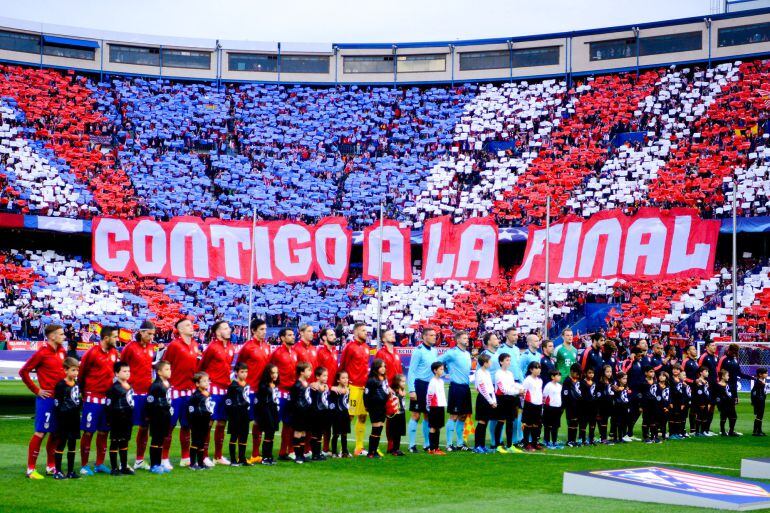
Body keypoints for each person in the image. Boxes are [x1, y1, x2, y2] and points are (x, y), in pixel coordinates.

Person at [19, 323, 67, 479]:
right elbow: (23, 371)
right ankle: (30, 469)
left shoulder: (62, 352)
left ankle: (50, 466)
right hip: (46, 400)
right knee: (41, 432)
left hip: (60, 399)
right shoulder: (42, 353)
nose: (63, 336)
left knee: (55, 433)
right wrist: (37, 390)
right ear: (52, 336)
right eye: (60, 334)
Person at [78, 325, 120, 475]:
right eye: (115, 337)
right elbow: (81, 375)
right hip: (92, 398)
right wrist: (84, 394)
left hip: (107, 400)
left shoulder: (115, 353)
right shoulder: (91, 353)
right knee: (89, 432)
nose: (117, 339)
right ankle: (84, 465)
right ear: (106, 338)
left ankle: (99, 463)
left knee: (104, 432)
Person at [198, 320, 236, 465]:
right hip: (212, 388)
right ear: (218, 332)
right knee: (209, 422)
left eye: (229, 328)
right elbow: (202, 366)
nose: (229, 330)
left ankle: (218, 456)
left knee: (222, 422)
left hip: (225, 389)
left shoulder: (231, 347)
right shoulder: (212, 348)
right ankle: (204, 455)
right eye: (226, 328)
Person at [163, 318, 199, 469]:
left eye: (191, 325)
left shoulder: (195, 345)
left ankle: (185, 457)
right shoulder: (174, 346)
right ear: (180, 329)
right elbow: (165, 365)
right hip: (175, 391)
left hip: (190, 392)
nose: (191, 327)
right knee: (169, 426)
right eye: (187, 325)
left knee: (187, 426)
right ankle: (164, 457)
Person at [120, 320, 156, 470]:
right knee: (126, 427)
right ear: (141, 332)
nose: (151, 337)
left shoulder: (151, 348)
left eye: (153, 334)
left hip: (145, 394)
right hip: (131, 394)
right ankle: (122, 461)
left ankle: (139, 460)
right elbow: (120, 368)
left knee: (144, 427)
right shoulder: (130, 348)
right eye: (149, 334)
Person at [235, 319, 270, 464]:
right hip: (248, 389)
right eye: (261, 329)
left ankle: (256, 453)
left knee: (259, 422)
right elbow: (238, 367)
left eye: (265, 329)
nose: (264, 332)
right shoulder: (247, 347)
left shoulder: (267, 346)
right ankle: (239, 454)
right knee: (243, 422)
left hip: (262, 390)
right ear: (253, 331)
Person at [340, 322, 372, 455]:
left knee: (363, 416)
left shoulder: (366, 347)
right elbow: (342, 366)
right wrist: (343, 385)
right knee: (349, 417)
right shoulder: (349, 347)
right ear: (356, 332)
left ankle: (359, 447)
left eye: (366, 330)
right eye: (363, 330)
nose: (366, 333)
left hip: (363, 388)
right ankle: (343, 447)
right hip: (352, 386)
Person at [406, 327, 438, 453]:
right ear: (424, 337)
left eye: (435, 335)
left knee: (428, 415)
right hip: (419, 385)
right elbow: (412, 371)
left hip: (430, 387)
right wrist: (412, 389)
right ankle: (412, 445)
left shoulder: (434, 351)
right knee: (415, 414)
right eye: (431, 335)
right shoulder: (418, 351)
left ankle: (427, 444)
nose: (434, 337)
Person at [439, 330, 472, 451]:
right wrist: (443, 373)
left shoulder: (467, 354)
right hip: (456, 387)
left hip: (465, 387)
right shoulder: (451, 353)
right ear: (458, 340)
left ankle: (460, 443)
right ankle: (448, 444)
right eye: (464, 338)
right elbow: (438, 361)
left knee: (463, 416)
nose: (467, 340)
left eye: (467, 338)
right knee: (453, 415)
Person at [269, 328, 298, 460]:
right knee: (273, 421)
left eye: (293, 335)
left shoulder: (294, 353)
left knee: (289, 423)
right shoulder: (277, 353)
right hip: (279, 391)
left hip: (291, 392)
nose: (293, 337)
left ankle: (285, 451)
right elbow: (269, 370)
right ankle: (264, 452)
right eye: (289, 335)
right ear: (282, 338)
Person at [53, 357, 81, 479]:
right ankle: (57, 471)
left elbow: (77, 400)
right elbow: (57, 403)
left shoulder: (77, 384)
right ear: (65, 370)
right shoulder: (60, 385)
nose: (76, 373)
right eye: (73, 370)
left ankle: (70, 471)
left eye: (77, 370)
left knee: (72, 445)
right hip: (64, 419)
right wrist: (61, 416)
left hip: (75, 419)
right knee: (61, 444)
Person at [106, 361, 135, 476]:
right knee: (115, 442)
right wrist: (109, 420)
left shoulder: (129, 386)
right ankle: (114, 468)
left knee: (124, 442)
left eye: (128, 371)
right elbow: (108, 405)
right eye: (124, 371)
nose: (127, 373)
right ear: (116, 374)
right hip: (117, 419)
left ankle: (124, 466)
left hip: (127, 419)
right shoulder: (114, 388)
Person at [145, 360, 172, 475]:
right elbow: (150, 402)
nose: (169, 371)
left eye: (170, 369)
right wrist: (150, 416)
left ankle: (159, 463)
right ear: (159, 372)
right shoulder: (155, 386)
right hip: (157, 416)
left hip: (165, 415)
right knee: (156, 439)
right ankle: (154, 464)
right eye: (166, 369)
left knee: (161, 439)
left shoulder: (167, 384)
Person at [317, 327, 340, 454]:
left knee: (329, 421)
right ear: (324, 338)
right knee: (321, 421)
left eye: (334, 334)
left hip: (333, 390)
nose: (334, 336)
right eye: (331, 334)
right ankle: (315, 447)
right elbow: (317, 371)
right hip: (322, 391)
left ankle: (326, 448)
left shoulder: (335, 351)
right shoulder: (320, 352)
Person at [493, 352, 521, 453]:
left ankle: (510, 445)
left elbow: (512, 385)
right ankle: (497, 445)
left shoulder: (510, 373)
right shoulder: (498, 374)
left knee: (510, 422)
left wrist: (521, 388)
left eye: (510, 360)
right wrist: (518, 391)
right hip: (501, 399)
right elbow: (503, 390)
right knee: (500, 421)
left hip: (510, 399)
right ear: (501, 362)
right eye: (507, 360)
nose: (509, 362)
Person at [226, 362, 251, 466]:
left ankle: (242, 458)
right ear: (236, 373)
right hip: (235, 414)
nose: (244, 374)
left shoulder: (247, 385)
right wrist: (232, 412)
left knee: (244, 435)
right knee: (234, 436)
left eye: (246, 372)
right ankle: (233, 459)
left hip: (245, 414)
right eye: (242, 372)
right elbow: (228, 402)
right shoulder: (233, 386)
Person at [363, 358, 389, 459]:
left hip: (383, 406)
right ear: (376, 368)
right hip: (374, 407)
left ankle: (375, 451)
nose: (383, 369)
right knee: (375, 429)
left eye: (384, 366)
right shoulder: (371, 380)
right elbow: (366, 395)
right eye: (381, 366)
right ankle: (371, 452)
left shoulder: (384, 378)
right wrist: (367, 406)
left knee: (380, 428)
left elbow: (386, 390)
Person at [188, 372, 214, 470]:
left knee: (202, 441)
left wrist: (210, 417)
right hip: (196, 422)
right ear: (197, 384)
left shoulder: (207, 394)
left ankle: (200, 463)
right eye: (204, 381)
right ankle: (192, 463)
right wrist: (193, 420)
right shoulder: (195, 396)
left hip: (205, 421)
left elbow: (208, 407)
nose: (206, 383)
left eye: (207, 381)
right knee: (195, 441)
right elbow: (191, 409)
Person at [255, 364, 280, 465]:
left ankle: (269, 455)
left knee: (272, 432)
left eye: (276, 373)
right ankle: (265, 456)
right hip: (266, 410)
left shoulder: (275, 384)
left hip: (273, 409)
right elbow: (262, 402)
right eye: (272, 373)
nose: (275, 375)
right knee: (269, 431)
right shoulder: (263, 385)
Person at [480, 332, 501, 447]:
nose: (497, 340)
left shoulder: (498, 354)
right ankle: (491, 442)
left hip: (497, 388)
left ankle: (496, 440)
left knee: (497, 416)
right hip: (488, 389)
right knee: (487, 417)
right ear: (489, 342)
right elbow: (479, 373)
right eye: (495, 338)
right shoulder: (484, 355)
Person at [289, 362, 313, 464]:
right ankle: (297, 455)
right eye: (309, 370)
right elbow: (295, 401)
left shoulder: (307, 384)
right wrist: (299, 410)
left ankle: (302, 454)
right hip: (298, 413)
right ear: (302, 372)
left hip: (305, 412)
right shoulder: (297, 385)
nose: (310, 373)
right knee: (298, 432)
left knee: (303, 432)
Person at [473, 353, 497, 453]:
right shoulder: (479, 373)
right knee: (482, 421)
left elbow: (490, 387)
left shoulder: (486, 372)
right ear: (485, 363)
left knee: (485, 421)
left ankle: (482, 445)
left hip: (489, 398)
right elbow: (482, 389)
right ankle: (477, 445)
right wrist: (491, 401)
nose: (491, 363)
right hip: (484, 399)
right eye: (489, 361)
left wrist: (494, 399)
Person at [425, 361, 447, 455]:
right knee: (433, 427)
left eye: (443, 369)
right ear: (435, 370)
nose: (442, 371)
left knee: (438, 427)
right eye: (440, 369)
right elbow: (429, 395)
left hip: (440, 406)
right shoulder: (432, 381)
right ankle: (432, 448)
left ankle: (436, 448)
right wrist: (429, 406)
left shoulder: (441, 381)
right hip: (434, 406)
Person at [521, 361, 544, 451]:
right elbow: (523, 392)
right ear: (531, 369)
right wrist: (524, 405)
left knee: (536, 424)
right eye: (536, 368)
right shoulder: (527, 380)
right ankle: (526, 443)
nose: (538, 370)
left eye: (539, 368)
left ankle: (535, 443)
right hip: (529, 404)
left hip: (538, 404)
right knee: (528, 424)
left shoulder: (540, 381)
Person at [698, 341, 719, 436]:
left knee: (712, 407)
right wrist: (700, 381)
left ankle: (707, 429)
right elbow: (698, 370)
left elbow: (716, 371)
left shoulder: (715, 357)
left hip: (714, 386)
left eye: (715, 345)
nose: (715, 347)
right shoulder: (703, 357)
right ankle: (701, 430)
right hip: (706, 386)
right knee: (705, 407)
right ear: (707, 347)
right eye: (712, 345)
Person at [310, 367, 331, 461]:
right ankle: (315, 454)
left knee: (320, 433)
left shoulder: (326, 386)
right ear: (317, 377)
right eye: (324, 376)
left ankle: (318, 453)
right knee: (315, 433)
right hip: (316, 413)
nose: (326, 377)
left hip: (323, 412)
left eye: (327, 376)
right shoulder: (314, 387)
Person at [329, 370, 351, 458]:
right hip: (337, 415)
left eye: (347, 378)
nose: (345, 380)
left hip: (345, 414)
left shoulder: (348, 390)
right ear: (338, 380)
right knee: (336, 434)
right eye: (343, 378)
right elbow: (331, 403)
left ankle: (344, 451)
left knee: (344, 433)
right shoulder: (335, 390)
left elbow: (346, 402)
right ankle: (334, 452)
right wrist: (333, 412)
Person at [387, 374, 407, 456]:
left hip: (401, 413)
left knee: (399, 433)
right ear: (397, 382)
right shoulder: (394, 391)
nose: (404, 383)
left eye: (404, 381)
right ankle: (394, 449)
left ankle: (396, 449)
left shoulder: (403, 390)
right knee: (395, 432)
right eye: (402, 381)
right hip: (395, 414)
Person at [562, 363, 582, 447]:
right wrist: (567, 404)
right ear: (571, 371)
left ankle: (574, 440)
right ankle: (570, 440)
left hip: (577, 404)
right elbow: (565, 393)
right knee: (571, 422)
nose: (577, 375)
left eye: (579, 374)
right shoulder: (567, 380)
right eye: (576, 373)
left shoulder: (578, 380)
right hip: (570, 405)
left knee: (576, 422)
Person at [714, 369, 738, 437]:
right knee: (723, 417)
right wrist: (719, 405)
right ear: (722, 376)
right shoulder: (718, 385)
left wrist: (734, 400)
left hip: (730, 404)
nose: (728, 377)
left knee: (733, 417)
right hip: (723, 405)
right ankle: (722, 431)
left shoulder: (728, 385)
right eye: (727, 375)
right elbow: (717, 396)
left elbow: (731, 393)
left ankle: (731, 431)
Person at [542, 370, 563, 448]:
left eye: (560, 375)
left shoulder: (560, 386)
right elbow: (544, 396)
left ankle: (554, 441)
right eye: (557, 375)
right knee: (548, 425)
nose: (559, 377)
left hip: (557, 408)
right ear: (552, 377)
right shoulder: (548, 385)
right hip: (549, 407)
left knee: (556, 425)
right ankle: (546, 440)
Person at [669, 364, 690, 439]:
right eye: (674, 369)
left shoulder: (681, 381)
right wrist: (670, 402)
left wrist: (683, 403)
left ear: (680, 371)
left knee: (678, 417)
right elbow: (669, 392)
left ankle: (677, 433)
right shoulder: (670, 379)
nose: (675, 370)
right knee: (672, 417)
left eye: (677, 369)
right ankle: (671, 434)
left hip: (679, 402)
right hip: (672, 401)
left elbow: (683, 393)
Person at [578, 366, 597, 446]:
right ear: (585, 373)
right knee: (583, 423)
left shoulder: (594, 383)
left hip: (593, 406)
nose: (591, 374)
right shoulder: (582, 383)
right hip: (584, 406)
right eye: (589, 373)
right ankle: (583, 440)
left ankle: (591, 439)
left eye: (592, 373)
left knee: (592, 423)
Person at [595, 364, 614, 444]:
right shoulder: (600, 383)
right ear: (603, 372)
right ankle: (603, 439)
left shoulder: (610, 381)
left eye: (610, 371)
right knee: (603, 421)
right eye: (607, 372)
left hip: (608, 404)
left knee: (605, 421)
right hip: (602, 405)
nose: (609, 373)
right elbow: (599, 395)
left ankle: (603, 438)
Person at [611, 371, 631, 443]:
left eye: (626, 378)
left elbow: (627, 396)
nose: (625, 380)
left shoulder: (626, 386)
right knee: (617, 422)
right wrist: (619, 389)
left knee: (624, 422)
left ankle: (621, 437)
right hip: (617, 406)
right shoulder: (615, 385)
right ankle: (615, 437)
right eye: (623, 378)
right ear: (619, 379)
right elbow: (614, 389)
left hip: (625, 406)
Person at [652, 371, 671, 443]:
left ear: (666, 377)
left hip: (665, 407)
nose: (661, 377)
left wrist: (667, 407)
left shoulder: (668, 386)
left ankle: (663, 435)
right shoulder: (655, 385)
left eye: (663, 376)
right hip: (657, 406)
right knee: (656, 422)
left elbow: (669, 397)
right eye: (660, 375)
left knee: (664, 422)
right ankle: (655, 436)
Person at [692, 366, 711, 436]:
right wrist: (701, 403)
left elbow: (707, 393)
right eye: (706, 371)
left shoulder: (706, 381)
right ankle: (697, 432)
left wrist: (708, 402)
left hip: (706, 402)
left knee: (704, 417)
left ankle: (703, 431)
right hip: (700, 402)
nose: (707, 373)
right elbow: (699, 393)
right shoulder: (698, 381)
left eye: (708, 371)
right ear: (701, 373)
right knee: (699, 416)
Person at [751, 368, 767, 436]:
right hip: (759, 401)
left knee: (760, 416)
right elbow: (753, 392)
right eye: (765, 373)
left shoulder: (761, 381)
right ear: (760, 374)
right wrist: (755, 401)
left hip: (761, 400)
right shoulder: (758, 382)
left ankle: (758, 430)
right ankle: (756, 431)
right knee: (759, 416)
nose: (767, 374)